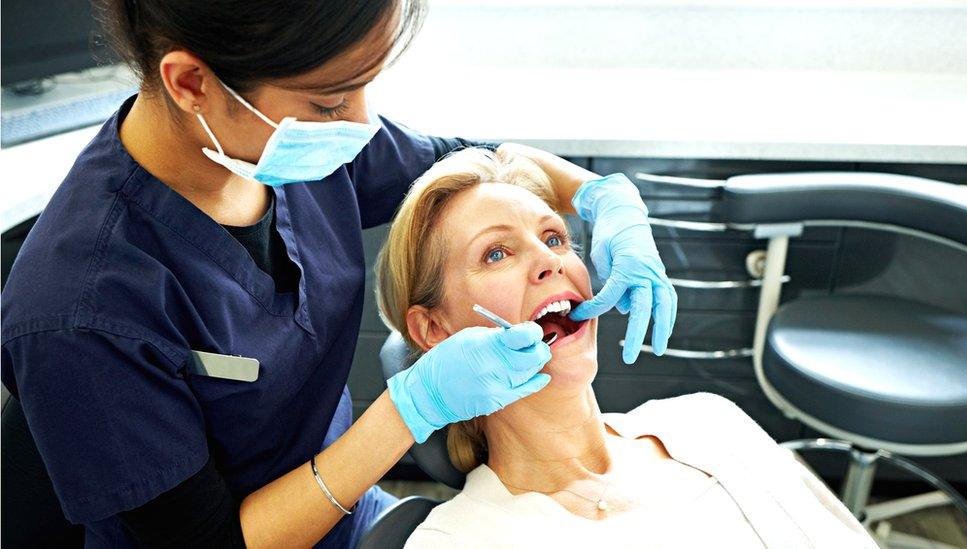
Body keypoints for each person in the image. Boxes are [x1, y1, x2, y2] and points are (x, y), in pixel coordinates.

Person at [0, 1, 678, 547]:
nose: (361, 124)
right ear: (191, 83)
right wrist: (411, 408)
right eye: (329, 102)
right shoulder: (79, 310)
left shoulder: (300, 145)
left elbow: (468, 158)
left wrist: (601, 194)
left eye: (362, 89)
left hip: (352, 507)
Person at [374, 148, 877, 548]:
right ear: (435, 331)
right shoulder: (458, 540)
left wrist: (607, 194)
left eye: (554, 237)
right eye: (497, 253)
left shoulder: (708, 422)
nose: (551, 262)